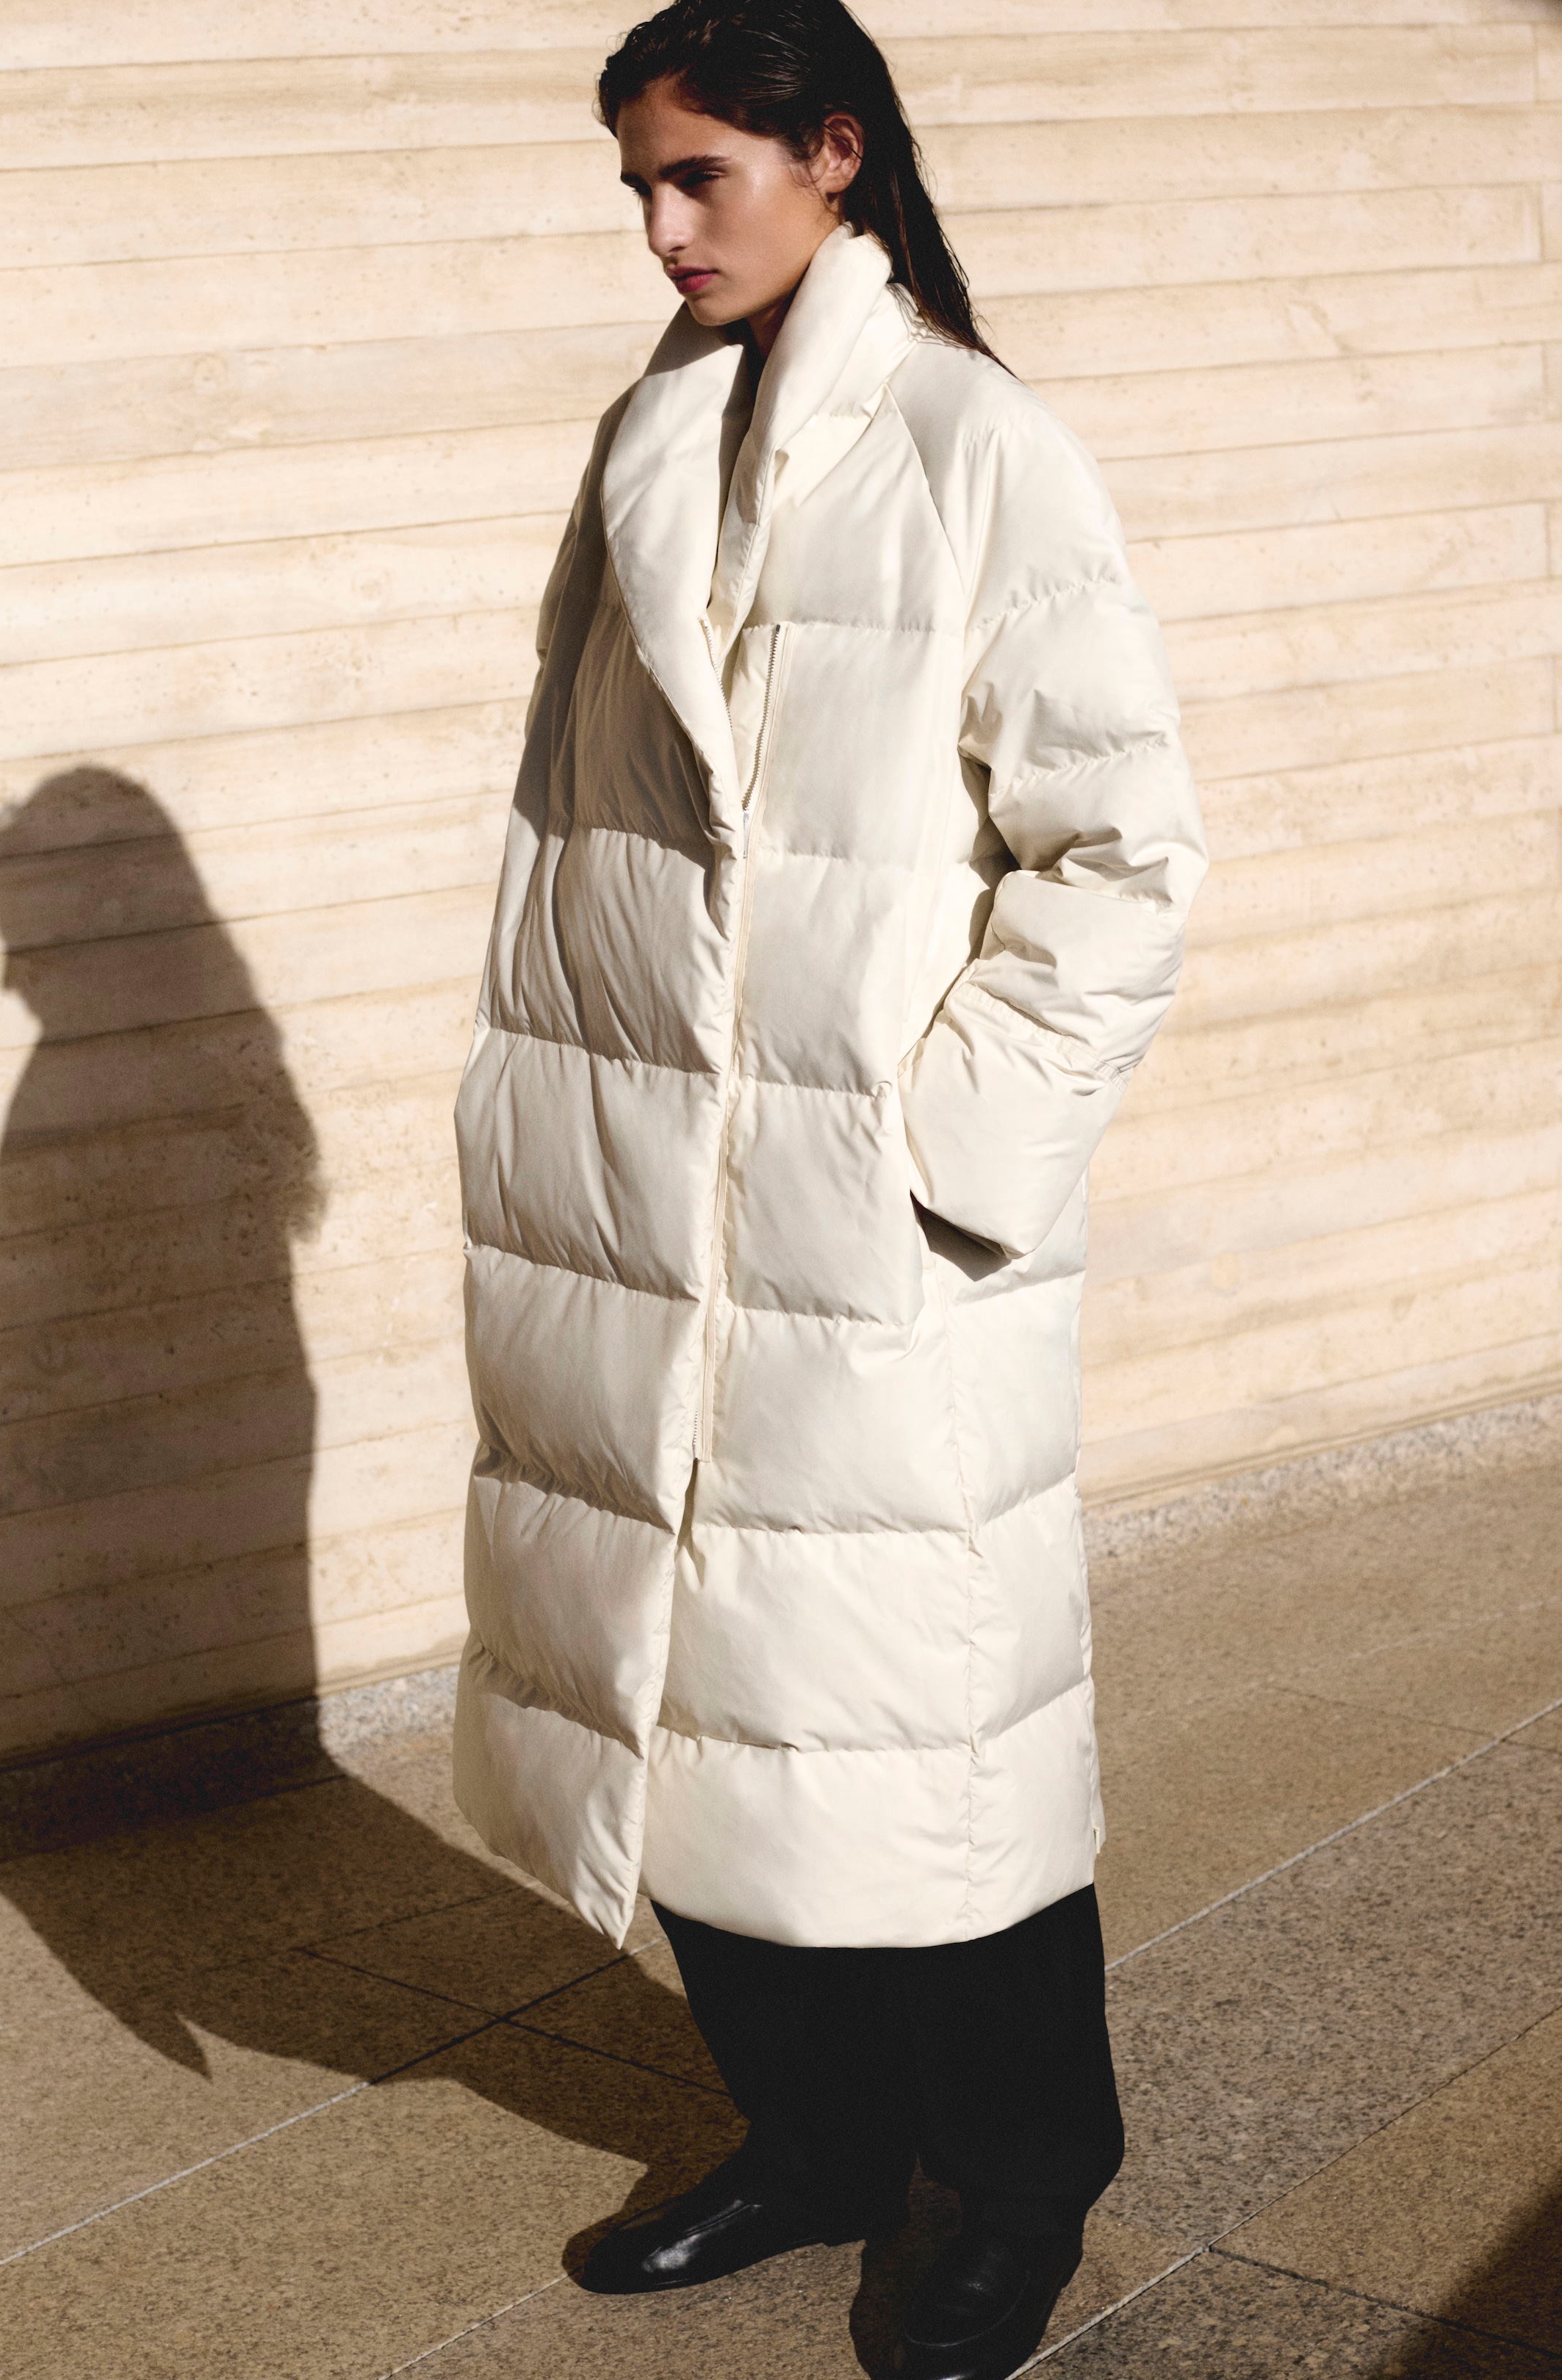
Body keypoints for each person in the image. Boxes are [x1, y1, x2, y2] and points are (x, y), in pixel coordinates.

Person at [453, 4, 1206, 2372]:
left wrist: (939, 1149)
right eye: (639, 192)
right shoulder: (650, 432)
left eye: (699, 179)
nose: (665, 232)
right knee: (697, 1718)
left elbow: (1125, 851)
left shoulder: (987, 448)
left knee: (926, 1735)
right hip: (643, 1211)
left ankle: (1014, 2177)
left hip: (867, 1239)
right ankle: (809, 2134)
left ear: (830, 154)